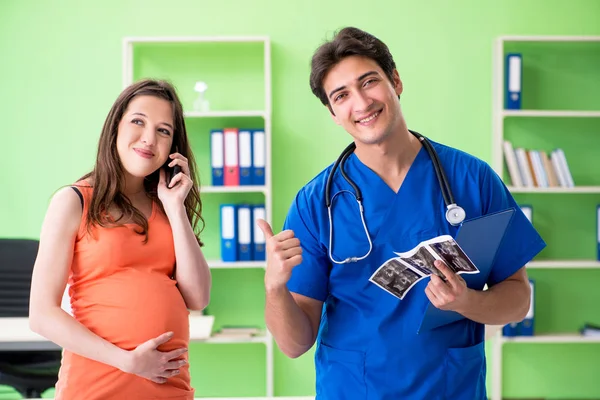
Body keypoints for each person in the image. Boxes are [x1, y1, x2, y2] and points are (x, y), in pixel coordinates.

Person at [257, 27, 545, 399]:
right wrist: (275, 289)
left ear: (396, 81)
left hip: (449, 387)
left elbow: (518, 298)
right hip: (354, 390)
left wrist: (468, 302)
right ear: (332, 113)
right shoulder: (316, 203)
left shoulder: (473, 180)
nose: (360, 103)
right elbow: (294, 344)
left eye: (369, 82)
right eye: (341, 95)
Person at [28, 79, 211, 400]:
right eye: (138, 121)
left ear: (173, 147)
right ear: (115, 127)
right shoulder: (74, 201)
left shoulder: (168, 204)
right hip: (96, 388)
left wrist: (176, 208)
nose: (149, 138)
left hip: (169, 390)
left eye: (163, 131)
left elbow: (197, 297)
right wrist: (129, 362)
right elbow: (42, 314)